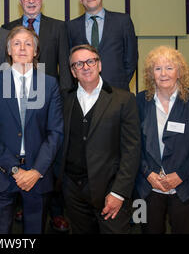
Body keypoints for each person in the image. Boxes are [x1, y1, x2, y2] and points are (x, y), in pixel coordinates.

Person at [0, 26, 63, 234]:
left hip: (38, 174)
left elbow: (55, 132)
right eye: (17, 43)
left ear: (36, 51)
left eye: (28, 44)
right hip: (2, 173)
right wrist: (15, 169)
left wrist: (36, 171)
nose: (22, 48)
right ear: (9, 50)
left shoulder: (50, 84)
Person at [58, 44, 140, 234]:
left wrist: (118, 192)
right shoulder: (65, 100)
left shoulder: (124, 100)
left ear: (99, 65)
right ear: (73, 71)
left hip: (109, 191)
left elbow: (131, 151)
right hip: (73, 191)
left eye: (90, 61)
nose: (85, 67)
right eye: (78, 64)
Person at [135, 46, 189, 234]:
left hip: (186, 186)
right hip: (147, 188)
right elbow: (133, 144)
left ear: (179, 72)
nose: (163, 74)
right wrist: (148, 173)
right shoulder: (139, 100)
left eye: (169, 68)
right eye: (157, 68)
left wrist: (179, 175)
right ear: (150, 73)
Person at [67, 0, 138, 91]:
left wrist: (122, 81)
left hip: (117, 89)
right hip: (84, 90)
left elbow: (131, 57)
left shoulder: (122, 21)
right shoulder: (71, 26)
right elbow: (70, 61)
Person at [2, 0, 73, 92]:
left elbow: (64, 66)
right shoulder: (7, 29)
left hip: (49, 91)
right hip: (15, 91)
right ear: (20, 1)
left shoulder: (58, 27)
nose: (31, 1)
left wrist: (65, 95)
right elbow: (5, 64)